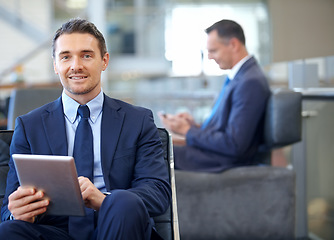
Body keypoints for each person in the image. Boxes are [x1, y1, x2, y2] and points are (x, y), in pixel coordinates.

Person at [0, 18, 171, 240]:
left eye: (86, 55)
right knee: (8, 230)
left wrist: (105, 200)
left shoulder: (137, 120)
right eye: (65, 57)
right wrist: (16, 212)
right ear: (55, 65)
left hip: (119, 223)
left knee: (122, 202)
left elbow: (157, 191)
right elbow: (9, 207)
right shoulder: (29, 126)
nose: (76, 65)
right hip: (56, 231)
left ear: (104, 61)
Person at [159, 19, 271, 172]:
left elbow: (234, 144)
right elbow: (225, 128)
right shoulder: (239, 77)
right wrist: (193, 126)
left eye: (214, 50)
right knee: (155, 146)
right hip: (217, 154)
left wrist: (188, 131)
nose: (210, 57)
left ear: (233, 44)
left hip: (222, 160)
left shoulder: (250, 82)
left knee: (154, 152)